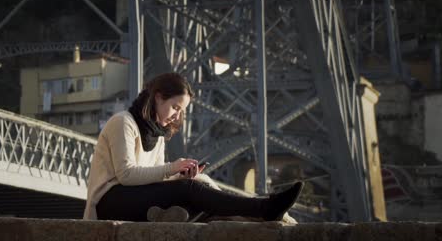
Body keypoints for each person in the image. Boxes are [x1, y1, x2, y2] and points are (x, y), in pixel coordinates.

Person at [83, 72, 303, 222]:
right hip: (108, 202)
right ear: (158, 98)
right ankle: (264, 209)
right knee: (189, 189)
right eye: (175, 107)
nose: (177, 116)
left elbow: (155, 180)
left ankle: (167, 216)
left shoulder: (158, 134)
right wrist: (172, 168)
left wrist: (182, 175)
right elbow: (126, 175)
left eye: (182, 111)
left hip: (134, 199)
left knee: (193, 185)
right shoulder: (123, 122)